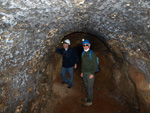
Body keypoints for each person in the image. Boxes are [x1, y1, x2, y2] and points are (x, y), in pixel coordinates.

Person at [80, 39, 97, 107]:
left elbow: (95, 64)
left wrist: (92, 73)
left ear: (89, 46)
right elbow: (83, 63)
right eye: (84, 45)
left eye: (87, 45)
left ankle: (89, 101)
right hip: (84, 73)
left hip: (90, 73)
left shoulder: (92, 53)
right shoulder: (83, 53)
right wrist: (82, 71)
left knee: (89, 88)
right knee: (87, 86)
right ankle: (87, 97)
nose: (85, 46)